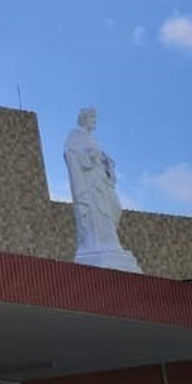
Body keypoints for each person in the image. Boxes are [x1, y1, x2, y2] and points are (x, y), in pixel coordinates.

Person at [64, 107, 139, 269]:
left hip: (101, 181)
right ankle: (97, 244)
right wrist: (87, 157)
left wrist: (107, 164)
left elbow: (101, 158)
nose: (94, 122)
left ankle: (109, 243)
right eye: (92, 118)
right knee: (97, 212)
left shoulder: (93, 139)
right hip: (90, 183)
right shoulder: (75, 135)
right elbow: (70, 154)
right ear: (84, 119)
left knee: (115, 208)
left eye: (95, 119)